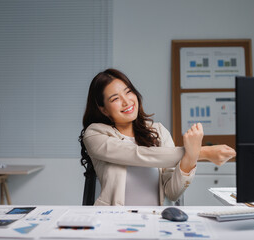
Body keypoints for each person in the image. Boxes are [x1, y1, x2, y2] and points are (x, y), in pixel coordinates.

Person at [79, 68, 236, 206]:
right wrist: (202, 153)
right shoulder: (95, 134)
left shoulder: (158, 131)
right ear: (104, 110)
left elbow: (173, 192)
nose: (126, 102)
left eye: (128, 92)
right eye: (115, 99)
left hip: (156, 221)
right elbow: (138, 154)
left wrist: (191, 157)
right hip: (115, 223)